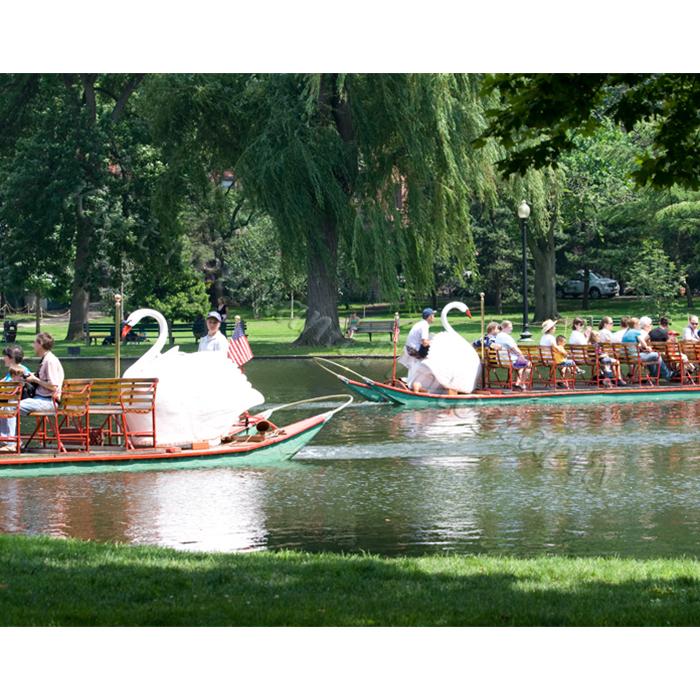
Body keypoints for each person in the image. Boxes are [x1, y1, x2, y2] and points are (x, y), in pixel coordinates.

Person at [622, 317, 672, 382]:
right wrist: (648, 348)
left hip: (629, 357)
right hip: (636, 357)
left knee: (652, 356)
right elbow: (643, 343)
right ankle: (667, 375)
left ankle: (656, 375)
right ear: (635, 325)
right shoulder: (636, 332)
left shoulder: (626, 333)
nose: (640, 326)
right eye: (639, 325)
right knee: (657, 355)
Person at [398, 308, 435, 392]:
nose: (434, 317)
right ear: (429, 317)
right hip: (414, 350)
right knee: (432, 363)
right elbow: (425, 342)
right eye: (433, 315)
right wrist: (434, 342)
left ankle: (411, 382)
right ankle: (420, 386)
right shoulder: (425, 325)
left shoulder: (419, 323)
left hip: (409, 349)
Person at [494, 320, 531, 390]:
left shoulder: (498, 336)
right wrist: (522, 355)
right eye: (510, 327)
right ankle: (522, 384)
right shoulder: (506, 337)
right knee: (529, 364)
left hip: (501, 360)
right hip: (509, 361)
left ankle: (517, 383)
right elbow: (515, 348)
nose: (512, 329)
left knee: (522, 364)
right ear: (505, 327)